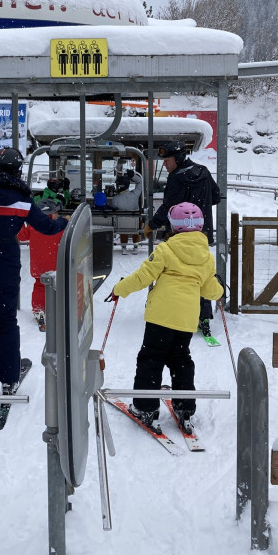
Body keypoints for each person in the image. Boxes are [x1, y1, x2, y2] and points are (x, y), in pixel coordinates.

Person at [106, 202, 224, 433]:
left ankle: (145, 407)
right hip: (186, 320)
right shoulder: (206, 257)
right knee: (181, 360)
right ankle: (185, 408)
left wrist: (120, 288)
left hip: (161, 318)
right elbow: (210, 290)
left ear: (174, 226)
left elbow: (143, 276)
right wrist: (219, 291)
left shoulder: (166, 250)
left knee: (151, 359)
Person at [0, 147, 68, 394]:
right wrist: (63, 220)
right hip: (5, 265)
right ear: (18, 171)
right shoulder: (22, 200)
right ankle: (9, 378)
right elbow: (46, 228)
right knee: (7, 323)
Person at [147, 140, 222, 337]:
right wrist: (200, 204)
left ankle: (177, 312)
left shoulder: (176, 179)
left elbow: (168, 207)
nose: (165, 164)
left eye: (167, 160)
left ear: (178, 159)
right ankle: (203, 316)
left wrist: (152, 225)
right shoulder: (204, 171)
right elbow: (216, 196)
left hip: (179, 234)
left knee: (177, 273)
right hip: (201, 233)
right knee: (202, 273)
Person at [16, 198, 66, 332]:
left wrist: (20, 222)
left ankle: (39, 311)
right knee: (58, 287)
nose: (58, 215)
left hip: (39, 266)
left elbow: (20, 236)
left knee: (39, 287)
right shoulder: (58, 227)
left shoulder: (33, 227)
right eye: (56, 213)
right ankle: (57, 310)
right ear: (50, 214)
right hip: (56, 266)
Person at [109, 166, 144, 255]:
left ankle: (124, 246)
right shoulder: (135, 195)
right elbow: (140, 182)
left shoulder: (115, 200)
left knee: (122, 221)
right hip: (134, 224)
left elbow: (114, 209)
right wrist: (133, 176)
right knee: (137, 222)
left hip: (122, 225)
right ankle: (135, 245)